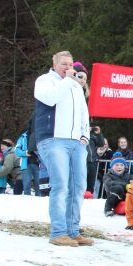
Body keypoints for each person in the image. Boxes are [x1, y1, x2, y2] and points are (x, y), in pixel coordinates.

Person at [33, 50, 91, 246]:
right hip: (53, 139)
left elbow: (84, 111)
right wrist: (67, 80)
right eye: (64, 64)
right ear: (55, 64)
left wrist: (85, 135)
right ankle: (58, 232)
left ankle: (73, 230)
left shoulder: (75, 86)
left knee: (78, 187)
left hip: (77, 142)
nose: (68, 68)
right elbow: (51, 99)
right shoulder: (45, 81)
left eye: (70, 64)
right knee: (61, 185)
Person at [15, 122, 41, 196]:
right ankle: (27, 202)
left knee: (39, 185)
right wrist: (25, 153)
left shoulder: (39, 135)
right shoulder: (23, 137)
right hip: (25, 163)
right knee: (26, 185)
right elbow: (17, 150)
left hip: (38, 163)